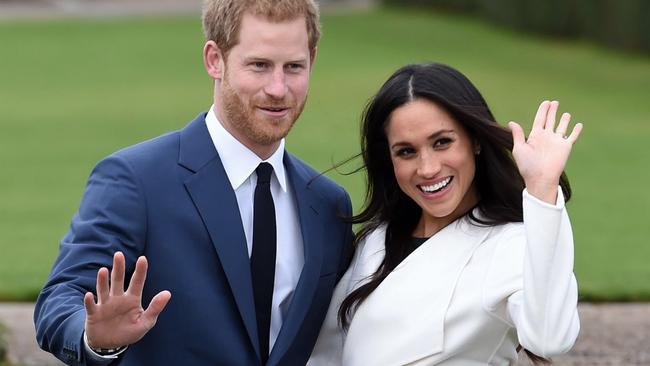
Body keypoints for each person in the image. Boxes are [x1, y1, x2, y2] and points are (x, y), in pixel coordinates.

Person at [34, 1, 353, 365]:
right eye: (259, 65)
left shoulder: (329, 205)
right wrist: (96, 339)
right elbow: (62, 298)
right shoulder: (136, 180)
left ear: (312, 59)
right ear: (214, 59)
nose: (278, 89)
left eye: (293, 67)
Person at [308, 63, 582, 365]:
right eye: (406, 151)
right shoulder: (376, 240)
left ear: (475, 140)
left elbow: (549, 338)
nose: (428, 168)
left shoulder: (510, 243)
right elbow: (326, 352)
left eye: (442, 142)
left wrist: (542, 190)